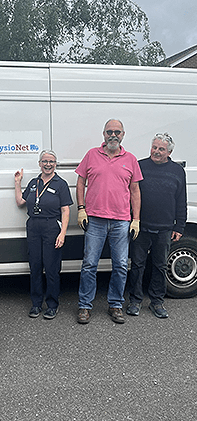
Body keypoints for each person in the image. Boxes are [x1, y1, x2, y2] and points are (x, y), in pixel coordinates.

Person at [76, 119, 142, 324]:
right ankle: (85, 306)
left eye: (117, 132)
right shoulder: (91, 155)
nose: (113, 135)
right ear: (103, 134)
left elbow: (135, 191)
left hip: (121, 220)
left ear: (123, 134)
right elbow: (80, 181)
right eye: (109, 132)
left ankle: (115, 304)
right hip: (95, 219)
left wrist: (136, 219)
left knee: (121, 265)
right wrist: (81, 209)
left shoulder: (130, 159)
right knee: (89, 264)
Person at [127, 133, 187, 319]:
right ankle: (135, 301)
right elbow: (131, 193)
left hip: (165, 228)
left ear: (169, 152)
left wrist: (179, 227)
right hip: (141, 226)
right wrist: (131, 220)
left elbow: (181, 201)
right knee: (137, 265)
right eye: (154, 147)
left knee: (160, 266)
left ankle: (157, 302)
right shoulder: (140, 166)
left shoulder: (177, 171)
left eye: (161, 149)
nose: (156, 151)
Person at [14, 150, 73, 319]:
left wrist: (62, 234)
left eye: (52, 161)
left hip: (51, 226)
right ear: (39, 163)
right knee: (35, 266)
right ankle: (36, 304)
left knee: (52, 267)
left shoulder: (60, 184)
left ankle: (52, 304)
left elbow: (65, 210)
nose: (48, 164)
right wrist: (17, 183)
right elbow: (20, 202)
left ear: (56, 164)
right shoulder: (34, 183)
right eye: (45, 161)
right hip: (33, 226)